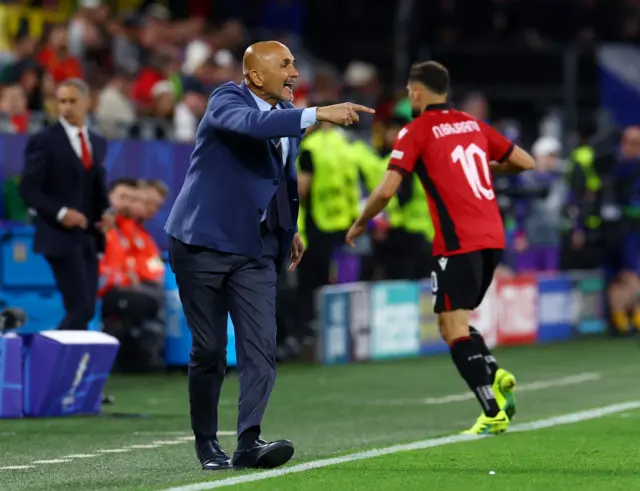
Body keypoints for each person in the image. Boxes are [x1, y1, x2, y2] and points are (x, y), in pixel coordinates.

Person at [164, 40, 374, 471]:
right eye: (286, 64)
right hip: (202, 243)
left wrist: (289, 227)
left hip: (257, 248)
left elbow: (281, 176)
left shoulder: (283, 117)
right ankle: (206, 442)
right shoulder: (227, 98)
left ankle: (248, 441)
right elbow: (249, 126)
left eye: (295, 62)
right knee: (210, 350)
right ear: (256, 76)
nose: (296, 70)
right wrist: (317, 115)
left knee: (261, 345)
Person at [346, 61, 534, 435]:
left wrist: (361, 221)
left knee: (452, 325)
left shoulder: (415, 131)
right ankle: (495, 375)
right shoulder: (471, 123)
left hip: (457, 240)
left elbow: (386, 190)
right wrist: (483, 168)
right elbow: (524, 162)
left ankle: (491, 410)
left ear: (416, 92)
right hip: (493, 238)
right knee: (454, 324)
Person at [19, 77, 114, 332]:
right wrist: (61, 212)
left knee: (87, 309)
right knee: (80, 307)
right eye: (61, 101)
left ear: (87, 103)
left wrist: (107, 212)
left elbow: (96, 185)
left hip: (88, 236)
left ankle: (72, 370)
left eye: (72, 101)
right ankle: (48, 362)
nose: (66, 107)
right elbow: (28, 189)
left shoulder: (97, 141)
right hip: (58, 236)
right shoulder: (45, 140)